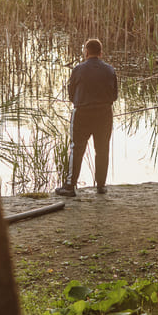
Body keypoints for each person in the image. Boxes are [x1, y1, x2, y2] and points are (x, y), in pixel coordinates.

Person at [56, 38, 118, 197]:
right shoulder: (110, 70)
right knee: (102, 149)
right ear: (101, 53)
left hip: (82, 114)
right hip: (104, 114)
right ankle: (101, 186)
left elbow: (71, 94)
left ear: (86, 52)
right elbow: (114, 96)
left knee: (77, 149)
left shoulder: (78, 69)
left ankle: (70, 186)